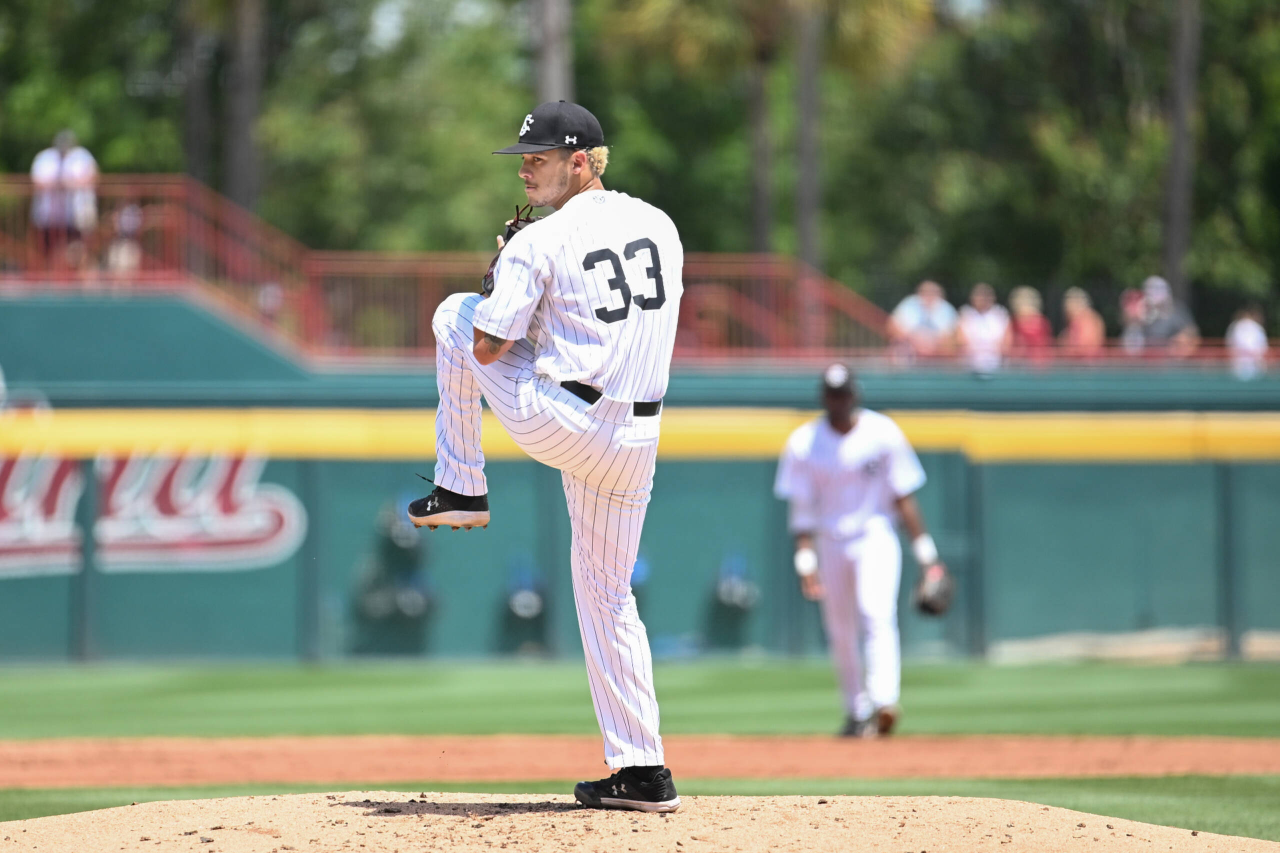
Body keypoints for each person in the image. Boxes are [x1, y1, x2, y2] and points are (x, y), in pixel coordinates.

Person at [407, 101, 682, 813]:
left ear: (583, 162)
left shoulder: (544, 240)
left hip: (565, 417)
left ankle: (461, 485)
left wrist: (502, 274)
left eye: (541, 155)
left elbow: (489, 347)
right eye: (523, 155)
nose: (526, 164)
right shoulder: (661, 225)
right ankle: (643, 768)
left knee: (452, 313)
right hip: (638, 439)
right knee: (608, 593)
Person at [774, 364, 946, 738]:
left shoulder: (882, 433)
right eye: (832, 394)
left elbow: (904, 497)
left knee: (876, 612)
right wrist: (805, 561)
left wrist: (927, 556)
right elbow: (801, 511)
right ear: (824, 397)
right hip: (830, 540)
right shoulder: (804, 443)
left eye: (844, 393)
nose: (839, 400)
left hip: (876, 536)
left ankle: (884, 701)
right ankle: (856, 711)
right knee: (839, 630)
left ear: (855, 395)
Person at [30, 130, 98, 266]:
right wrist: (57, 185)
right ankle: (51, 280)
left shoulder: (82, 156)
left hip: (78, 215)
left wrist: (70, 184)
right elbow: (37, 181)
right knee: (48, 251)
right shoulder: (45, 158)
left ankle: (79, 280)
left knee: (79, 249)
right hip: (49, 216)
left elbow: (93, 177)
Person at [887, 280, 958, 360]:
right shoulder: (909, 304)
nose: (929, 295)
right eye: (926, 292)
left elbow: (952, 335)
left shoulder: (946, 309)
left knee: (949, 349)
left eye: (932, 292)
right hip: (909, 348)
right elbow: (892, 326)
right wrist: (914, 340)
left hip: (938, 351)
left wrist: (930, 345)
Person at [955, 282, 1010, 374]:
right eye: (979, 296)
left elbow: (1006, 343)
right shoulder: (965, 314)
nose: (982, 300)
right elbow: (960, 341)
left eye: (986, 297)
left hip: (997, 363)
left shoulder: (1001, 314)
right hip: (969, 363)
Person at [1140, 275, 1199, 358]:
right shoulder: (1143, 310)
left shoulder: (1177, 311)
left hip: (1170, 366)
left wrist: (1176, 347)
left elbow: (1193, 336)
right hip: (1148, 364)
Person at [1058, 287, 1106, 359]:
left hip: (1087, 364)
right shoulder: (1080, 320)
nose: (1065, 310)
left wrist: (1064, 347)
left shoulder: (1087, 319)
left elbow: (1085, 345)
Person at [1008, 286, 1052, 361]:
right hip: (1037, 362)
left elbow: (1009, 344)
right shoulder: (1042, 321)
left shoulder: (1016, 321)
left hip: (1026, 362)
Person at [1226, 305, 1268, 380]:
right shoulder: (1255, 327)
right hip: (1244, 364)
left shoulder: (1235, 326)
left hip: (1245, 365)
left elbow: (1230, 343)